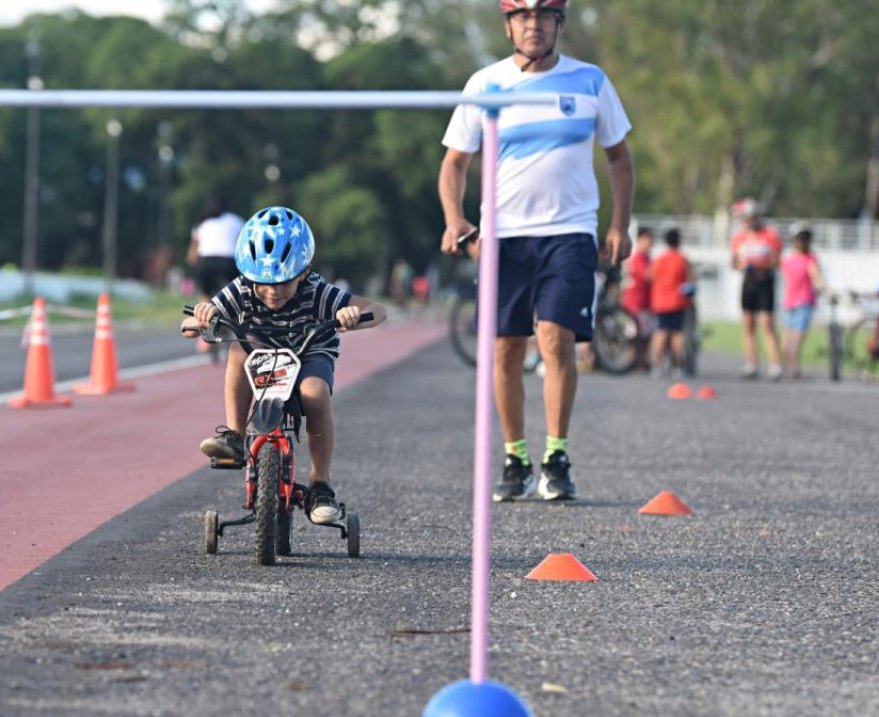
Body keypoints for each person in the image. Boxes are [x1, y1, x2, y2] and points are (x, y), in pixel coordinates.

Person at [437, 0, 635, 502]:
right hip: (503, 236)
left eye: (545, 16)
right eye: (524, 16)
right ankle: (516, 456)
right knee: (504, 347)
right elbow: (455, 163)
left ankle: (557, 455)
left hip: (570, 232)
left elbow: (619, 159)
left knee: (555, 339)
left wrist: (618, 225)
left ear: (558, 25)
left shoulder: (590, 81)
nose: (534, 25)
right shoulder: (485, 84)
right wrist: (456, 219)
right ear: (508, 26)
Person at [183, 206, 387, 524]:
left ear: (303, 271)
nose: (272, 291)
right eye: (263, 281)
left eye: (284, 281)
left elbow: (377, 310)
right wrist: (202, 316)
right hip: (263, 353)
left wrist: (352, 316)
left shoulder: (318, 291)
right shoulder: (243, 289)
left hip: (309, 353)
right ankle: (235, 436)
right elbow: (189, 324)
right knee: (238, 349)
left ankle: (321, 484)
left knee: (315, 394)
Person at [729, 197, 783, 380]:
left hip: (764, 282)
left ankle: (775, 365)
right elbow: (734, 262)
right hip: (748, 282)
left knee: (767, 323)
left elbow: (776, 259)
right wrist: (742, 265)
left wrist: (761, 264)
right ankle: (751, 363)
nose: (746, 221)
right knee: (748, 324)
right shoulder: (739, 237)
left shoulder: (770, 234)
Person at [186, 200, 245, 355]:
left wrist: (194, 265)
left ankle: (203, 333)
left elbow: (192, 254)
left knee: (205, 297)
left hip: (206, 263)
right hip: (229, 263)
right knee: (239, 291)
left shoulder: (202, 223)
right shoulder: (236, 220)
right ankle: (243, 327)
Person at [779, 224, 828, 379]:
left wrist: (824, 289)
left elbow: (816, 278)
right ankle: (791, 367)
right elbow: (817, 278)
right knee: (794, 337)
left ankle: (786, 366)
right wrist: (826, 290)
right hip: (798, 303)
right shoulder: (804, 259)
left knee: (790, 336)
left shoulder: (790, 260)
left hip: (796, 302)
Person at [648, 228, 693, 378]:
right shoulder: (682, 260)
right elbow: (690, 281)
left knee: (660, 332)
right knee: (677, 335)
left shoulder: (659, 259)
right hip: (677, 302)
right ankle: (678, 367)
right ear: (679, 241)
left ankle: (657, 366)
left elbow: (649, 277)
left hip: (660, 302)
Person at [621, 227, 655, 370]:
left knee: (645, 333)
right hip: (635, 303)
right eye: (647, 240)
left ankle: (641, 359)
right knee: (635, 334)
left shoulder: (647, 258)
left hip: (645, 302)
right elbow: (648, 275)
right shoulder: (639, 258)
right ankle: (633, 359)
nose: (650, 244)